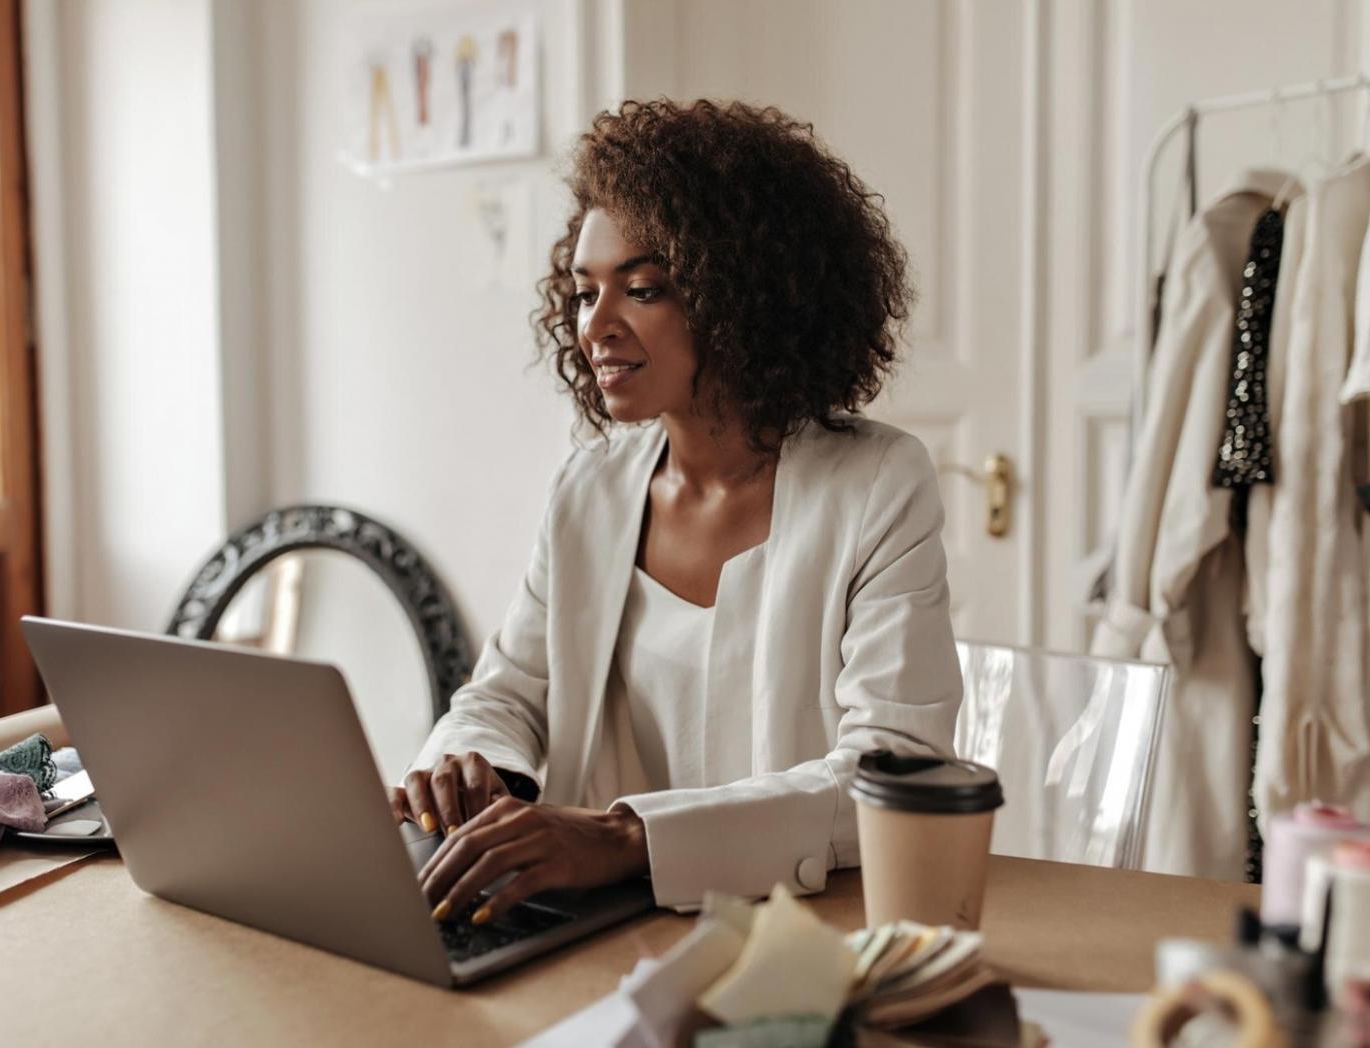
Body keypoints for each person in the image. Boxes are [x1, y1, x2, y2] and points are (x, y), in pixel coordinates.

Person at [393, 99, 962, 926]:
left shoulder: (875, 482)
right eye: (584, 293)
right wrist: (473, 768)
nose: (596, 326)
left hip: (799, 930)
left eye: (642, 289)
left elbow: (894, 767)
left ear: (745, 296)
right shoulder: (588, 489)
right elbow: (507, 692)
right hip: (596, 930)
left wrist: (625, 838)